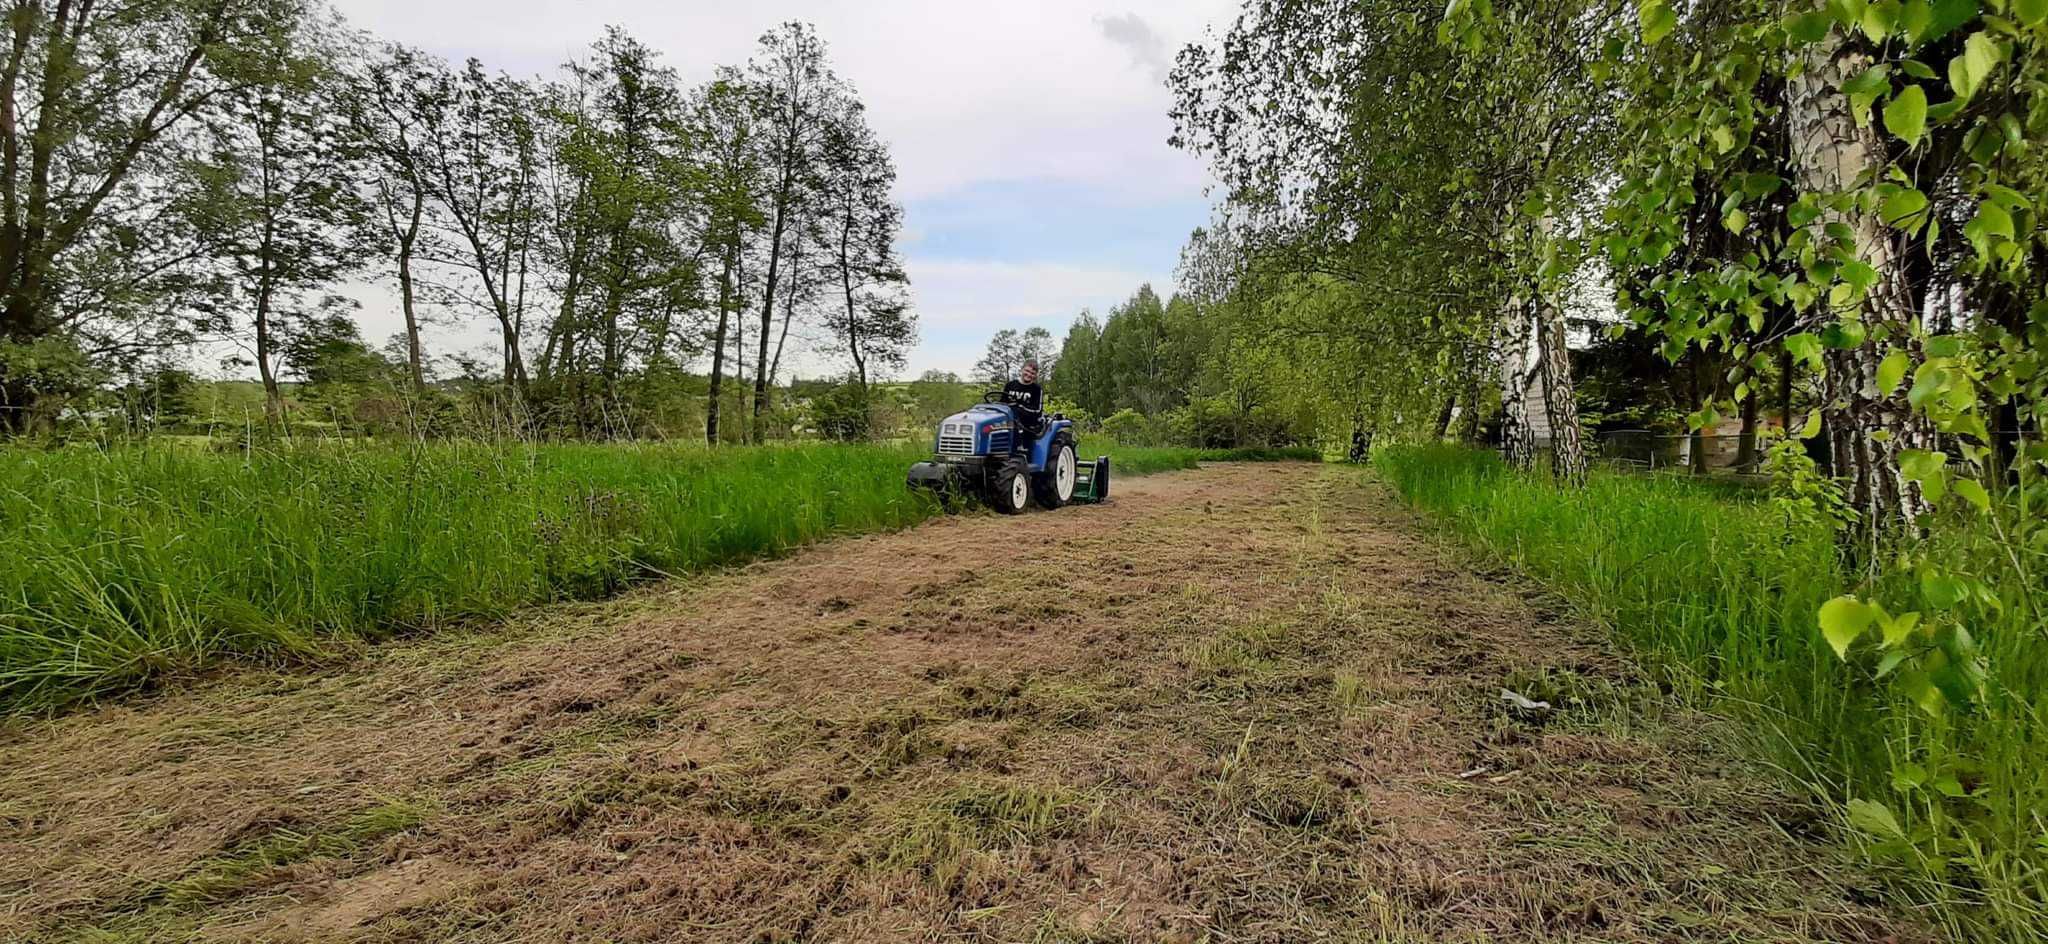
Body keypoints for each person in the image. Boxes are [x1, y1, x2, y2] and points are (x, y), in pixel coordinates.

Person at [1002, 360, 1045, 448]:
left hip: (1027, 424)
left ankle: (1023, 454)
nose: (1029, 375)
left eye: (1032, 373)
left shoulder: (1036, 389)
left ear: (1035, 375)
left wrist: (1019, 407)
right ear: (1022, 370)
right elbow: (1002, 403)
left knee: (1022, 437)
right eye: (1027, 371)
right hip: (1009, 421)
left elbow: (1037, 410)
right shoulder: (1010, 385)